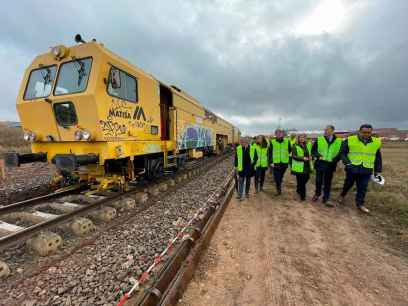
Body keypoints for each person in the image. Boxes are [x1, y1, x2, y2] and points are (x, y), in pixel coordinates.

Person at [338, 124, 382, 213]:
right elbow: (342, 153)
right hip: (352, 168)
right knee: (348, 184)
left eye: (368, 132)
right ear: (359, 131)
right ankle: (342, 195)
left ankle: (360, 204)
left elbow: (378, 157)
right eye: (364, 132)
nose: (366, 134)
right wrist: (348, 164)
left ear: (371, 132)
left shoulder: (376, 142)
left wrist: (377, 170)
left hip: (367, 169)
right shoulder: (350, 140)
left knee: (363, 187)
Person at [311, 125, 342, 206]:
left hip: (331, 165)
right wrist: (318, 156)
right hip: (320, 164)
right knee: (318, 181)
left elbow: (340, 153)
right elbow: (313, 151)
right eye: (325, 130)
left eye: (327, 130)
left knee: (327, 182)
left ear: (332, 131)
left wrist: (335, 160)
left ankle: (326, 198)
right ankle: (317, 194)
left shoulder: (339, 141)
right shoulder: (319, 139)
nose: (325, 131)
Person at [291, 134, 313, 201]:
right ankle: (302, 197)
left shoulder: (308, 145)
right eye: (300, 137)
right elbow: (294, 156)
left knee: (306, 178)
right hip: (299, 167)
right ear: (298, 138)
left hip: (307, 165)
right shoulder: (295, 146)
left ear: (305, 138)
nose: (301, 139)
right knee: (301, 182)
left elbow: (311, 153)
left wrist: (312, 157)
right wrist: (303, 158)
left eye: (303, 137)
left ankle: (298, 189)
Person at [269, 129, 291, 195]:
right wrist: (271, 162)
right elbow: (270, 152)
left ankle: (279, 185)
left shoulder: (287, 141)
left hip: (284, 162)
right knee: (276, 177)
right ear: (275, 134)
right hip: (276, 163)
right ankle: (278, 189)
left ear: (282, 134)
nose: (279, 134)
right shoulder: (272, 142)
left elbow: (290, 151)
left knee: (281, 176)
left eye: (280, 133)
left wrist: (289, 159)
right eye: (277, 133)